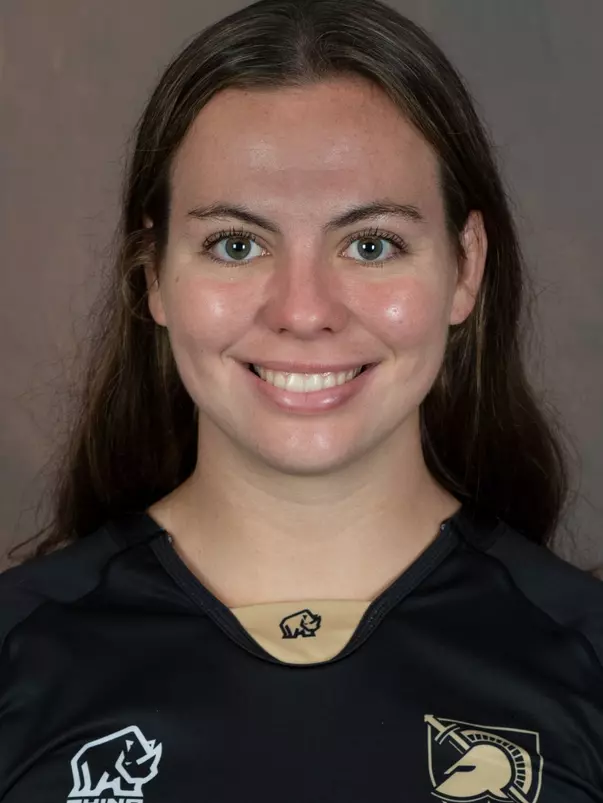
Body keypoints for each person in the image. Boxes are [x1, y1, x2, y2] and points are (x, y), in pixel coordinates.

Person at [1, 0, 602, 800]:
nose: (303, 309)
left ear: (463, 267)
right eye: (237, 244)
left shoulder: (583, 655)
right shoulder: (20, 653)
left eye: (370, 243)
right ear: (153, 276)